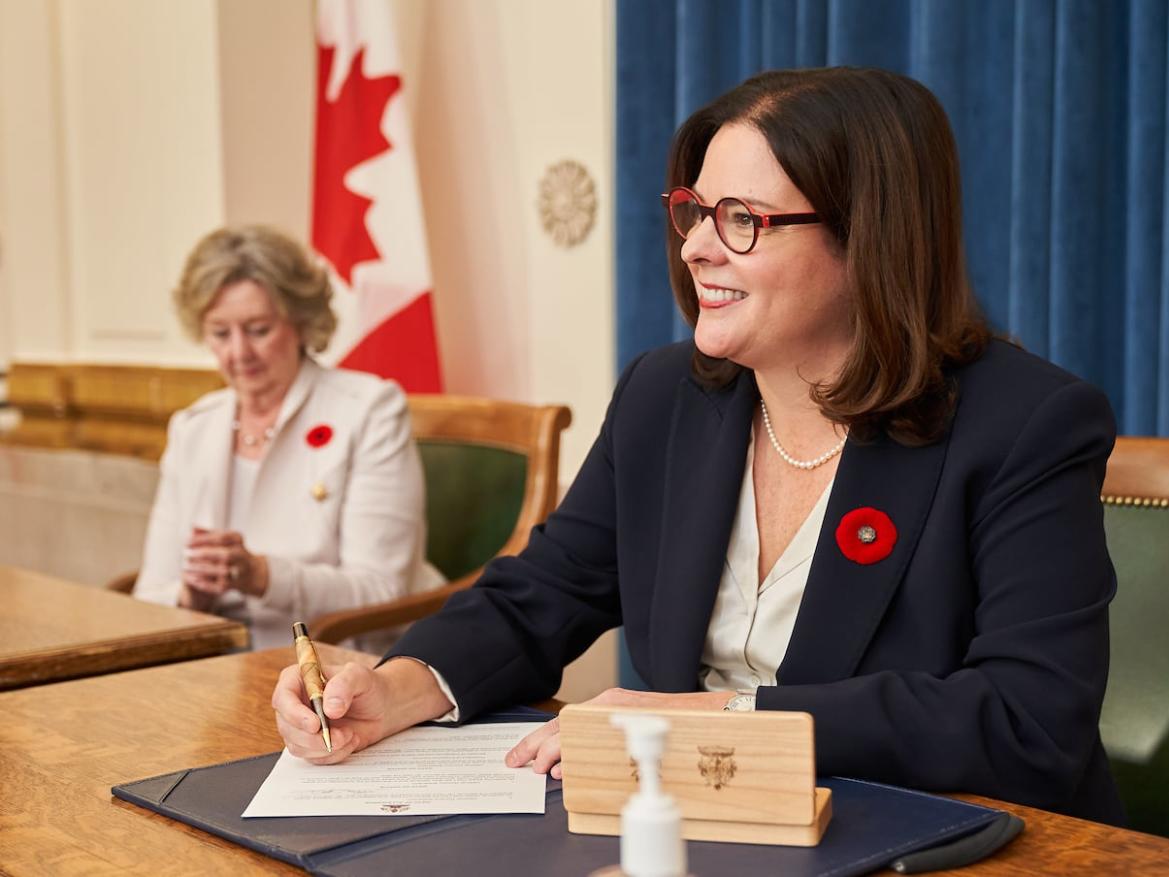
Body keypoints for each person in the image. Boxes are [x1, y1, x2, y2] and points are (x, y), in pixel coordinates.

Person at [272, 67, 1124, 824]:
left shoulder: (1026, 423)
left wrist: (713, 719)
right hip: (695, 826)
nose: (696, 247)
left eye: (742, 218)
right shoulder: (665, 395)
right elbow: (545, 591)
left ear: (870, 237)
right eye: (694, 211)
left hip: (918, 836)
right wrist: (395, 687)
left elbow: (1027, 717)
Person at [134, 225, 443, 650]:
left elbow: (381, 589)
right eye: (220, 333)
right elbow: (151, 593)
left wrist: (262, 576)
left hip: (340, 664)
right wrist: (191, 595)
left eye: (258, 329)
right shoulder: (193, 428)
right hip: (220, 665)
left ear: (300, 321)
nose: (239, 353)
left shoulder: (369, 409)